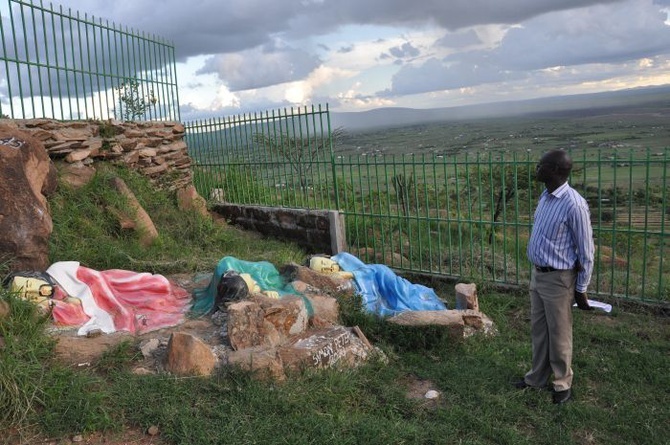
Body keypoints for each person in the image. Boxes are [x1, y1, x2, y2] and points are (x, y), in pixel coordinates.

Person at [515, 149, 594, 404]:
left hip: (559, 278)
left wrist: (581, 289)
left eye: (542, 165)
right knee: (539, 330)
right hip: (539, 275)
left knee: (559, 333)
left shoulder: (574, 204)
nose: (537, 168)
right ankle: (536, 378)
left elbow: (586, 251)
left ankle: (562, 384)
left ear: (557, 171)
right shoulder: (546, 196)